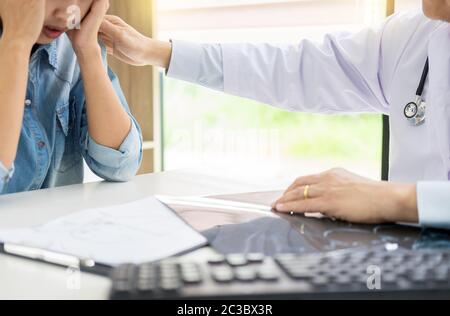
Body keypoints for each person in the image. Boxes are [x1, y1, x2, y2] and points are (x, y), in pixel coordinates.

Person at [99, 0, 450, 229]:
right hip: (410, 258)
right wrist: (159, 53)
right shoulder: (414, 35)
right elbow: (296, 69)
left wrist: (390, 199)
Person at [0, 0, 143, 195]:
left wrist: (88, 51)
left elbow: (121, 164)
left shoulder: (73, 44)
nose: (66, 15)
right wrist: (17, 43)